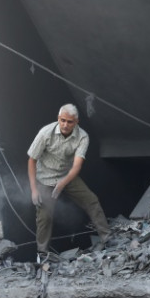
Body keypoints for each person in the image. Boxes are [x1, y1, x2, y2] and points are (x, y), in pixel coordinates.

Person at [27, 104, 110, 260]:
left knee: (91, 200)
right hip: (45, 178)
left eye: (69, 122)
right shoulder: (45, 133)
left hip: (67, 176)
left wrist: (63, 183)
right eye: (62, 120)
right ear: (58, 119)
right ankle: (42, 254)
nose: (65, 125)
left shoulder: (82, 136)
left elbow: (77, 165)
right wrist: (34, 189)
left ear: (76, 122)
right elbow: (32, 160)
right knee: (44, 216)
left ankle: (107, 238)